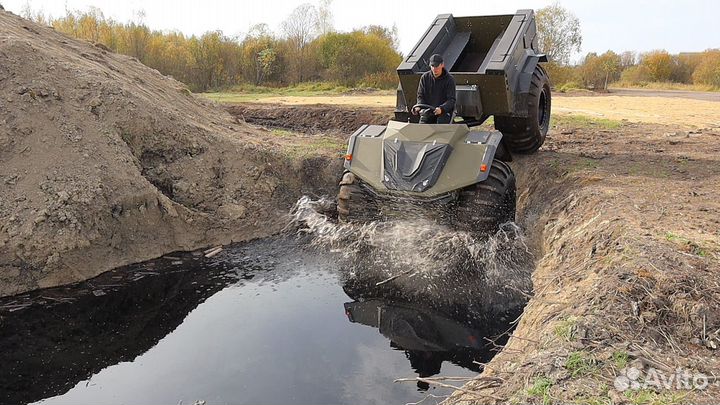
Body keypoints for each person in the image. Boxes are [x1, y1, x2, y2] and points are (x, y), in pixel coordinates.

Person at [413, 54, 456, 124]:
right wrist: (419, 106)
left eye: (437, 66)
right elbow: (420, 96)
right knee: (422, 122)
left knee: (441, 120)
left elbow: (451, 100)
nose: (434, 69)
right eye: (432, 66)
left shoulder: (449, 80)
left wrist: (442, 109)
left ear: (442, 65)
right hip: (428, 112)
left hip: (443, 113)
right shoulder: (425, 78)